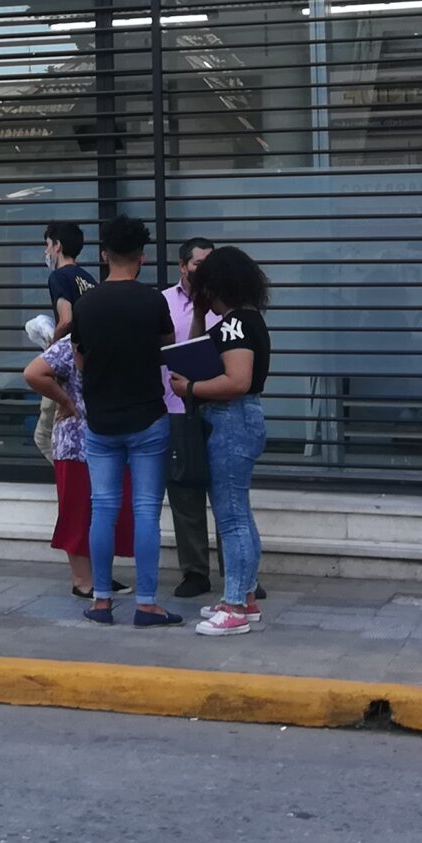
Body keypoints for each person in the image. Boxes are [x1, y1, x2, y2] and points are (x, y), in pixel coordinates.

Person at [68, 216, 176, 626]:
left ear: (103, 255)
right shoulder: (153, 302)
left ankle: (101, 601)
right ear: (142, 257)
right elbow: (168, 347)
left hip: (101, 421)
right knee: (146, 511)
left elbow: (79, 359)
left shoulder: (86, 304)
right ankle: (147, 604)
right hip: (148, 417)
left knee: (103, 509)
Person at [175, 245, 275, 637]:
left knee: (231, 518)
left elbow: (236, 381)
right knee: (239, 513)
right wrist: (200, 315)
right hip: (241, 420)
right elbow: (195, 352)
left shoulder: (235, 326)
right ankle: (244, 597)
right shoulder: (244, 320)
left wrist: (190, 388)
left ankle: (234, 607)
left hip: (230, 420)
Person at [22, 332, 133, 599]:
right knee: (78, 511)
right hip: (75, 441)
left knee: (109, 511)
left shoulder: (118, 337)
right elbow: (33, 373)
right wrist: (66, 401)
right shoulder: (71, 342)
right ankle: (83, 579)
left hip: (112, 439)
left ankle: (100, 575)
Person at [161, 237, 219, 598]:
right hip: (177, 409)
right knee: (185, 494)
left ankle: (241, 572)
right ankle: (195, 572)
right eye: (199, 264)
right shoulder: (163, 302)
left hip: (220, 407)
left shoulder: (226, 303)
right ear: (183, 266)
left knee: (228, 494)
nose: (206, 270)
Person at [31, 222, 95, 455]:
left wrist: (52, 346)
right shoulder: (87, 279)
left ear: (57, 246)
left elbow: (66, 319)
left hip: (66, 364)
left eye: (48, 245)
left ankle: (67, 473)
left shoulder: (58, 277)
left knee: (45, 435)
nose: (46, 251)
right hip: (89, 359)